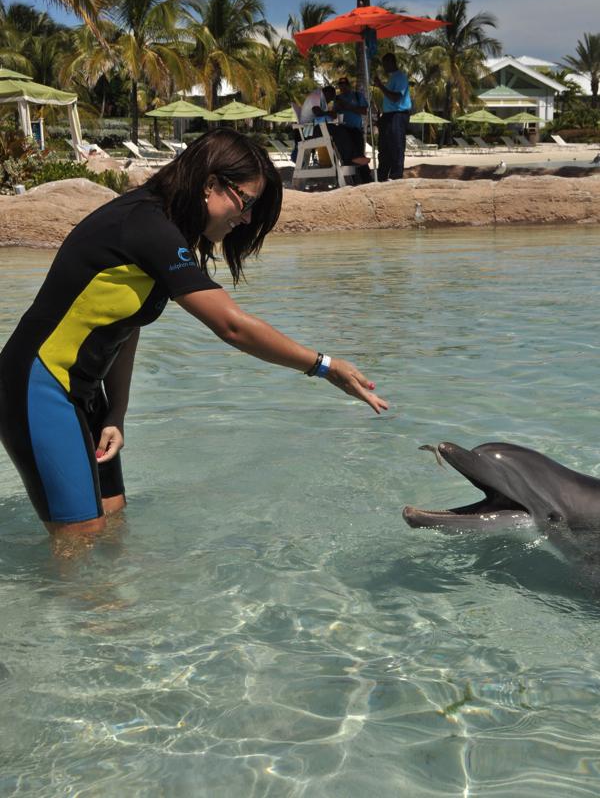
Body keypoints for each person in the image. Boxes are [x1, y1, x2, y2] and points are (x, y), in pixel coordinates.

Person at [0, 128, 388, 542]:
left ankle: (119, 607)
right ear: (210, 184)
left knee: (112, 522)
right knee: (80, 537)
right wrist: (325, 367)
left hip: (84, 395)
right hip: (38, 389)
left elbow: (124, 327)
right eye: (247, 201)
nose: (248, 218)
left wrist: (117, 413)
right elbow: (233, 327)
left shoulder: (166, 229)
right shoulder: (147, 226)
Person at [299, 85, 369, 173]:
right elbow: (317, 112)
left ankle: (353, 157)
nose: (329, 101)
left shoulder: (320, 98)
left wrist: (329, 114)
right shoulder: (315, 96)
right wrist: (329, 113)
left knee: (343, 130)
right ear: (327, 93)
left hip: (314, 128)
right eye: (330, 98)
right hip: (308, 131)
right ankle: (350, 159)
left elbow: (321, 115)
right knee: (339, 131)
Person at [373, 53, 412, 181]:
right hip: (389, 115)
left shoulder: (400, 77)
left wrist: (380, 86)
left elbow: (395, 98)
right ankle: (383, 175)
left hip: (398, 115)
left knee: (396, 145)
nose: (384, 67)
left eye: (385, 64)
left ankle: (396, 175)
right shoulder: (392, 78)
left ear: (391, 62)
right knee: (384, 146)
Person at [334, 77, 372, 184]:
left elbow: (364, 111)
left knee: (359, 155)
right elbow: (334, 114)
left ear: (348, 85)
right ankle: (352, 181)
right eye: (340, 85)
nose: (342, 87)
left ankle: (366, 179)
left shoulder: (356, 96)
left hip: (355, 130)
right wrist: (338, 108)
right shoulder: (337, 98)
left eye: (344, 85)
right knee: (347, 157)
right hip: (343, 131)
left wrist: (348, 107)